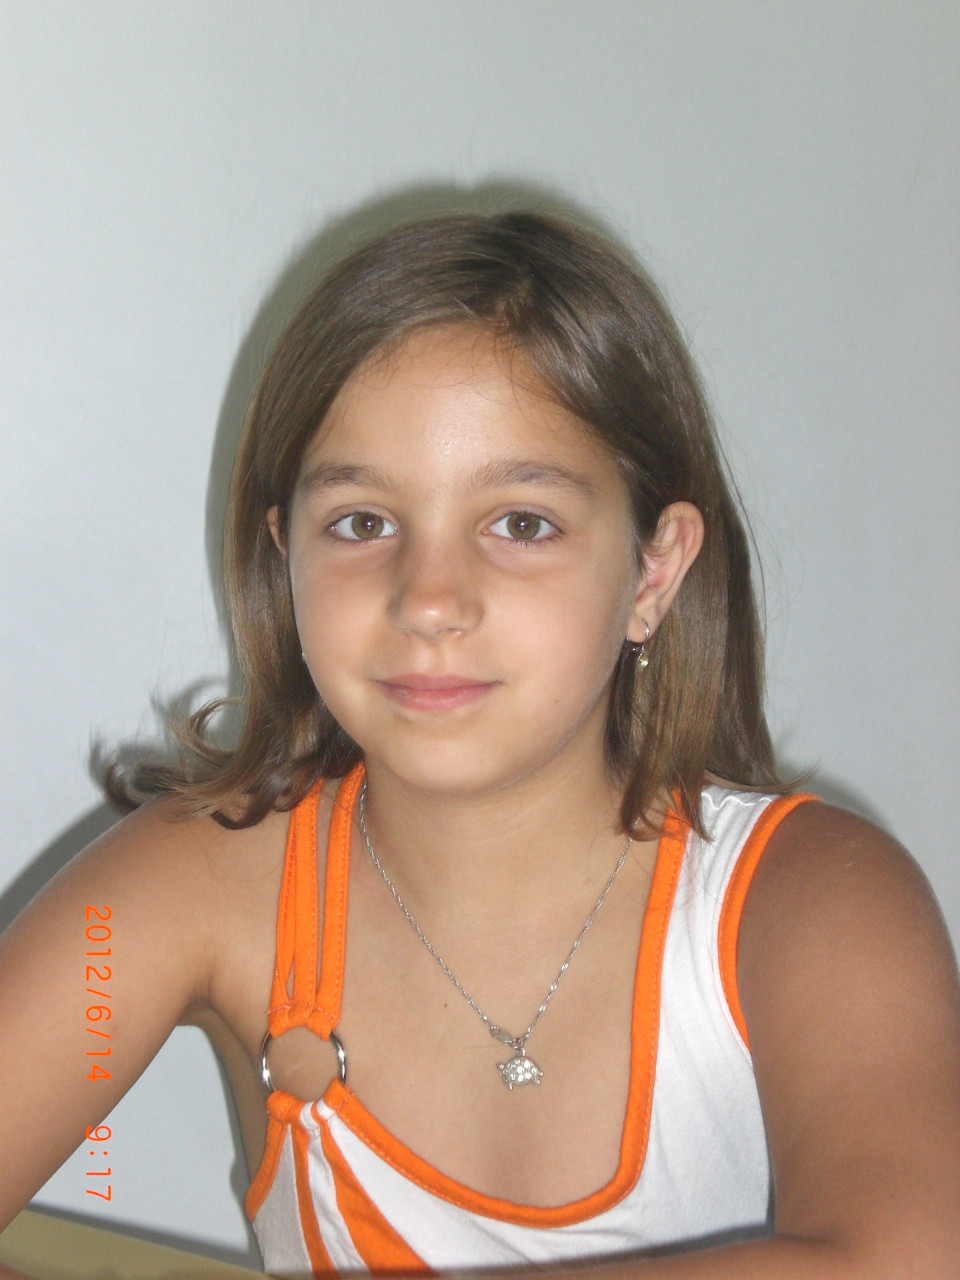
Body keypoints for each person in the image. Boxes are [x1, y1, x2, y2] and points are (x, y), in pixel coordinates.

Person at [1, 211, 958, 1280]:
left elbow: (910, 1263)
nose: (429, 600)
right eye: (362, 523)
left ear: (653, 571)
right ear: (285, 558)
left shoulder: (814, 901)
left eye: (521, 523)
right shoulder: (197, 886)